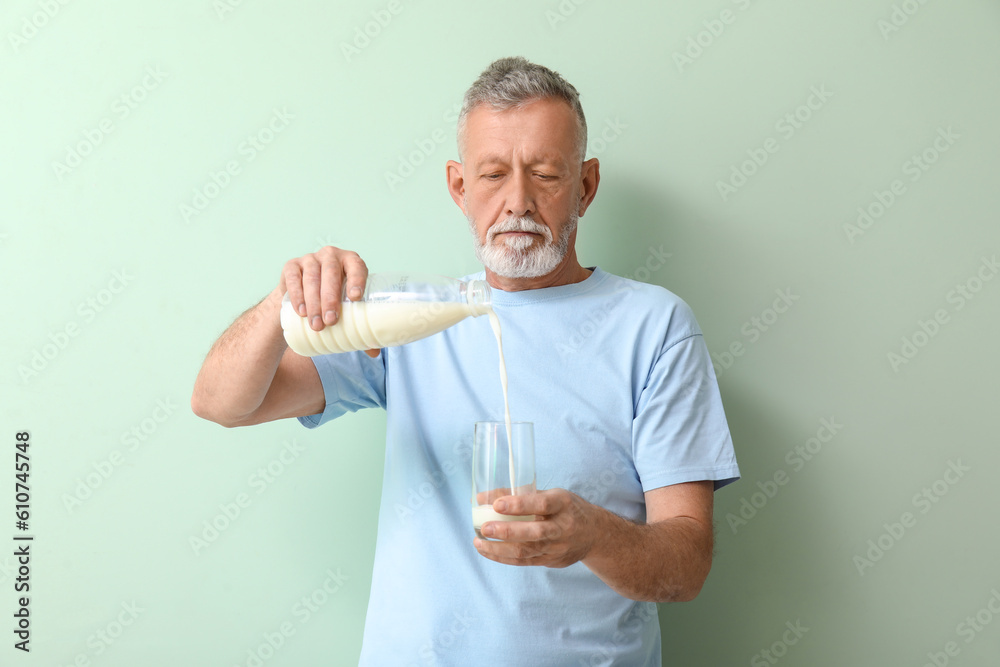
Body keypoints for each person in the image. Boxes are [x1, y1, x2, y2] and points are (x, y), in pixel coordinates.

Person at [192, 56, 740, 666]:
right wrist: (283, 301)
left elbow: (685, 566)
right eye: (493, 175)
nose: (518, 203)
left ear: (585, 186)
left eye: (545, 175)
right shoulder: (407, 320)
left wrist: (591, 533)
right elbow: (220, 402)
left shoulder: (655, 328)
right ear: (459, 186)